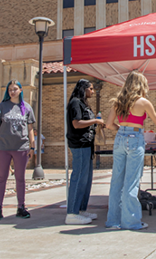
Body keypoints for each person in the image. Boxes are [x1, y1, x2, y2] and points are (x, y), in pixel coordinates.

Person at [104, 71, 156, 230]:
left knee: (116, 181)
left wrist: (121, 129)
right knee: (132, 181)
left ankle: (113, 221)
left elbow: (108, 124)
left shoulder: (118, 102)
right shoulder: (143, 102)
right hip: (135, 138)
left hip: (120, 138)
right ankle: (131, 222)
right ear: (141, 85)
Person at [0, 80, 35, 220]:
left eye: (15, 89)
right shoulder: (2, 106)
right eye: (10, 89)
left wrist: (32, 146)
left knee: (20, 178)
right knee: (2, 178)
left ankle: (21, 207)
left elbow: (30, 130)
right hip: (4, 147)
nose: (12, 91)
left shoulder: (26, 108)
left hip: (21, 147)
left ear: (21, 90)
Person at [65, 79, 103, 225]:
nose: (92, 92)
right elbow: (76, 123)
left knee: (86, 180)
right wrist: (96, 122)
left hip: (87, 146)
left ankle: (81, 209)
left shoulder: (82, 103)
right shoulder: (75, 102)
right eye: (91, 89)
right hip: (79, 146)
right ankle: (72, 213)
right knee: (79, 178)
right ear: (84, 89)